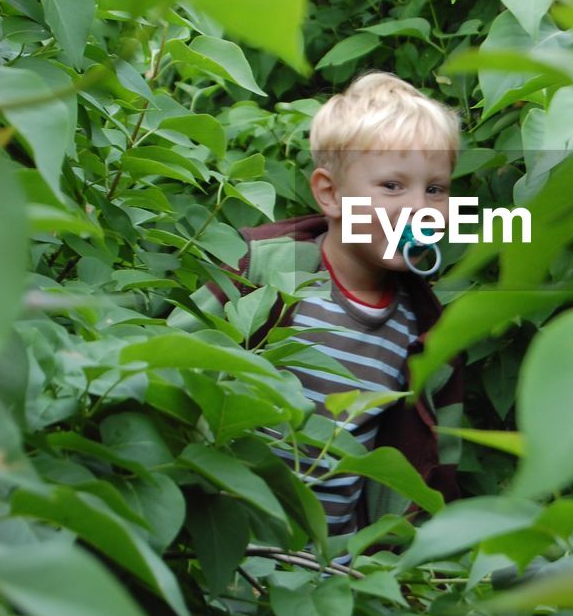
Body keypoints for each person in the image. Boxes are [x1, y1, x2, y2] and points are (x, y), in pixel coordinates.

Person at [180, 72, 463, 555]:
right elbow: (175, 360)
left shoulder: (423, 330)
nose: (420, 208)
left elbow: (436, 465)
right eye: (393, 186)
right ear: (330, 194)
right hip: (225, 543)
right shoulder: (265, 273)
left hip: (333, 564)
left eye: (435, 189)